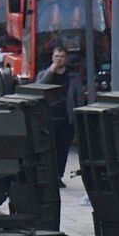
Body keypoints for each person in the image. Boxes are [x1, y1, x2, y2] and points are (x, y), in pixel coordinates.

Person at [37, 45, 85, 186]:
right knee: (48, 150)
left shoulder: (72, 76)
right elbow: (38, 88)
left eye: (62, 56)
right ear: (52, 57)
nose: (59, 59)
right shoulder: (44, 74)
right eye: (56, 56)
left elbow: (78, 97)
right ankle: (48, 176)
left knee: (62, 150)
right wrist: (50, 72)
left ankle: (58, 175)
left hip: (66, 119)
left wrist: (78, 116)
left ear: (66, 58)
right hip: (47, 119)